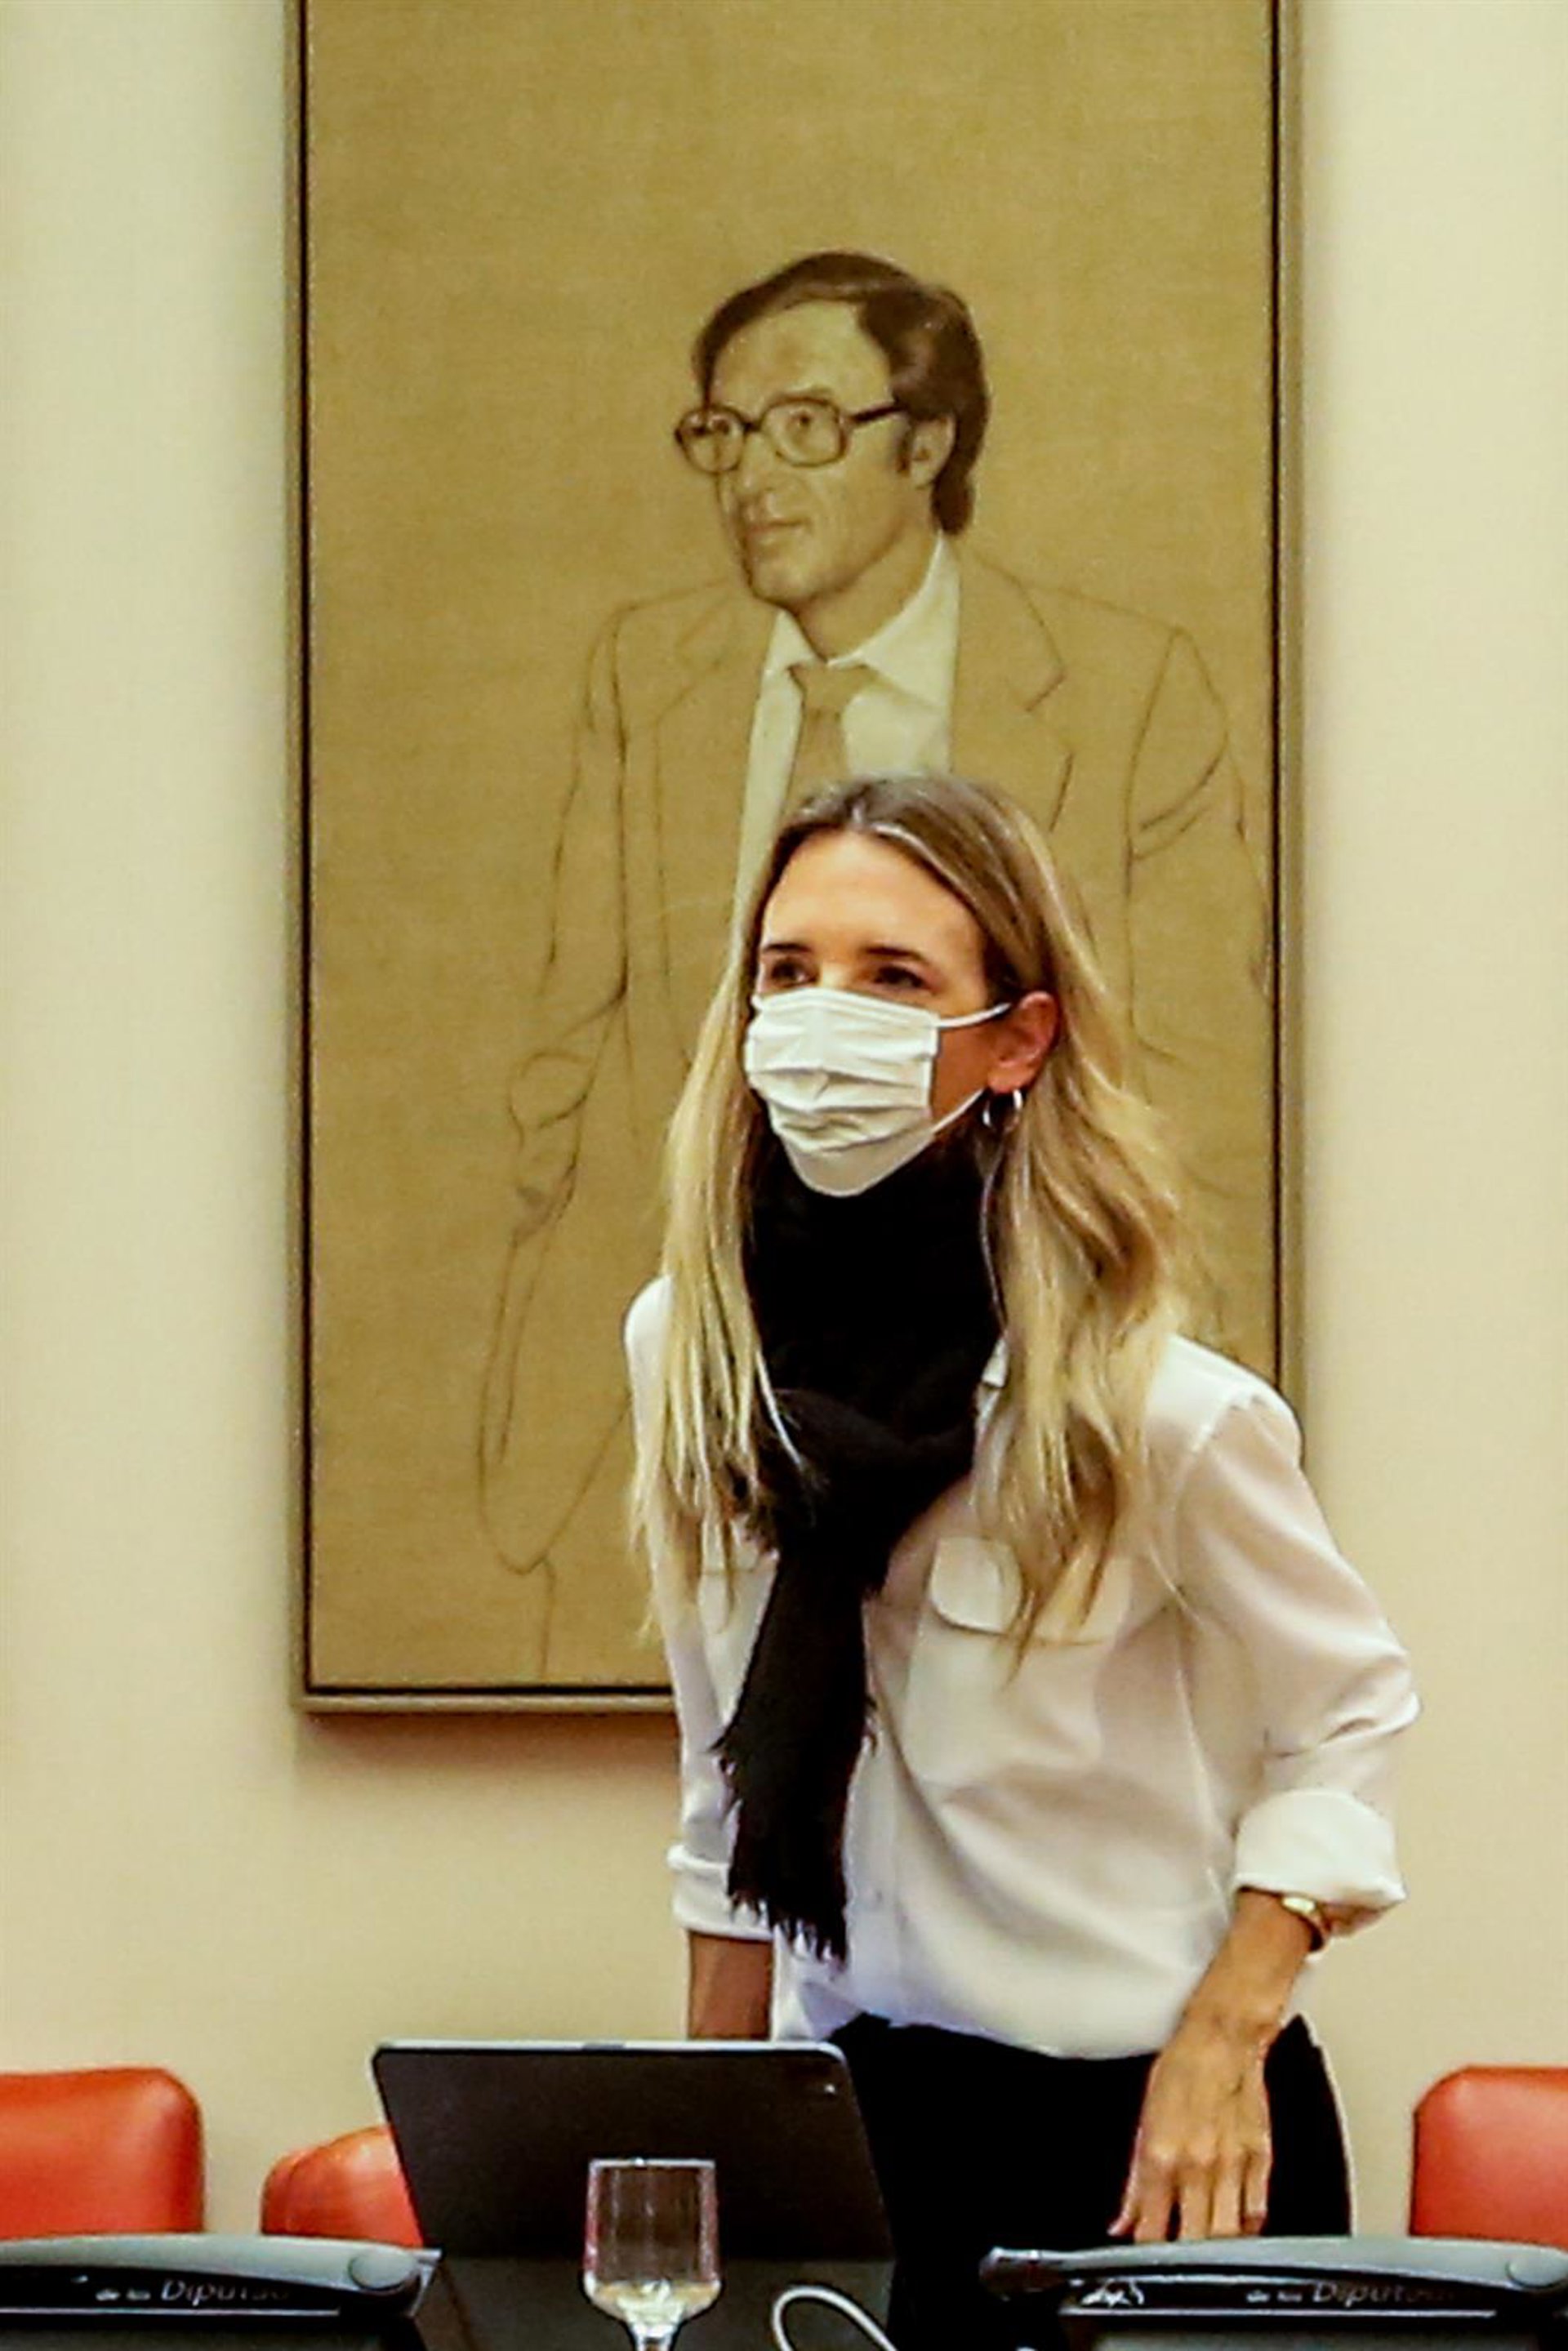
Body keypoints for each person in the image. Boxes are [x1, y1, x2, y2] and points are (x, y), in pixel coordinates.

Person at [626, 774, 1415, 2349]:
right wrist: (712, 2144)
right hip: (857, 2121)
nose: (824, 1018)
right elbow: (729, 1795)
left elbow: (1349, 1715)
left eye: (894, 977)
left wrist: (1227, 2037)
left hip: (1140, 2137)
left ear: (1018, 1040)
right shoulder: (694, 1357)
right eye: (789, 970)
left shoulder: (1158, 1410)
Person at [482, 252, 1271, 1640]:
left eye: (803, 426)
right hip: (712, 1383)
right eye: (724, 432)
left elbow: (1192, 1083)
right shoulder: (650, 675)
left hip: (1013, 1386)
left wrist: (1114, 1370)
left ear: (926, 444)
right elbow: (565, 1053)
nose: (751, 477)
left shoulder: (1125, 688)